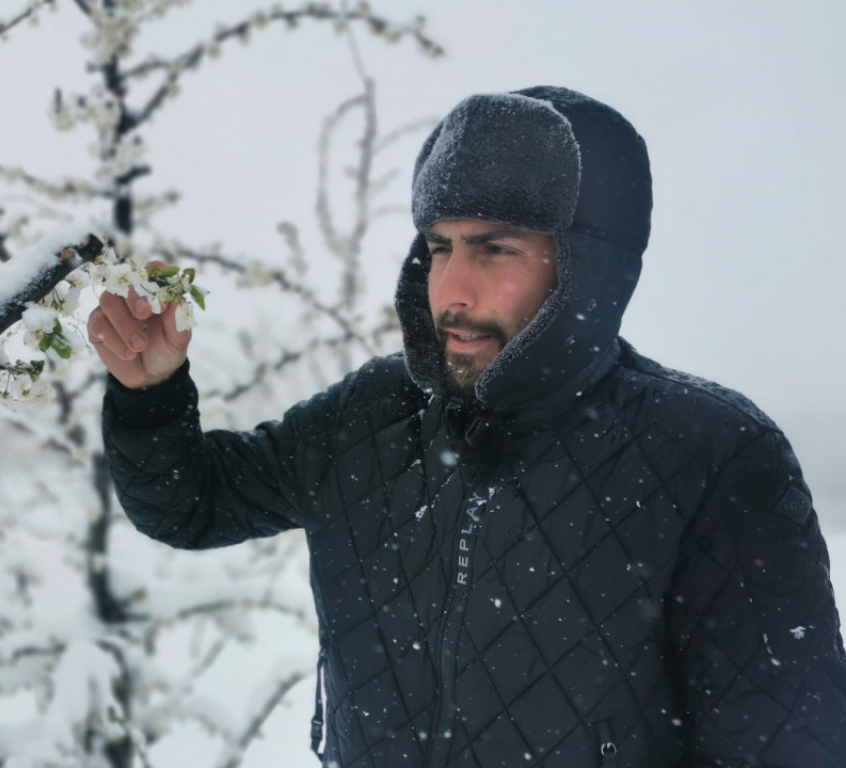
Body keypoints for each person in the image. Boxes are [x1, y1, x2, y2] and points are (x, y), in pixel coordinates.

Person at [87, 86, 846, 767]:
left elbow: (784, 746)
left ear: (586, 264)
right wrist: (151, 394)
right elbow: (191, 503)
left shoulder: (710, 455)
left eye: (497, 248)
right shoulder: (376, 412)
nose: (451, 286)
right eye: (441, 245)